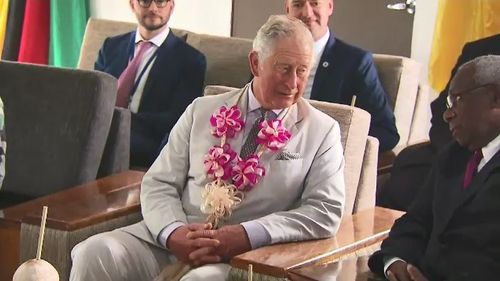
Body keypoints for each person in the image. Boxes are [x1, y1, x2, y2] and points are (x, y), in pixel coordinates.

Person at [70, 15, 346, 281]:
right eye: (284, 68)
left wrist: (248, 234)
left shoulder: (322, 132)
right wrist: (173, 231)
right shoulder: (201, 110)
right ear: (255, 63)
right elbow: (158, 182)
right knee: (93, 252)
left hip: (242, 255)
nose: (293, 83)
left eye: (302, 71)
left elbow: (324, 211)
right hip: (171, 239)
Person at [369, 55, 500, 281]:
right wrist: (395, 261)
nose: (447, 114)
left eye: (457, 100)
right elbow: (415, 222)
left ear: (495, 98)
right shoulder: (453, 155)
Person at [377, 33, 500, 211]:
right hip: (463, 150)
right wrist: (457, 151)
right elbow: (443, 108)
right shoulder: (478, 50)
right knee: (407, 168)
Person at [95, 0, 206, 167]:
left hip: (145, 139)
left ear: (171, 5)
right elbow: (92, 95)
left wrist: (123, 120)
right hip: (98, 130)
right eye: (145, 1)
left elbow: (178, 118)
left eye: (160, 1)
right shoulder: (110, 46)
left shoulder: (191, 60)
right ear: (133, 4)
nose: (153, 8)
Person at [284, 0, 399, 152]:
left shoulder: (356, 62)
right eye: (298, 5)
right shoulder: (270, 54)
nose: (307, 13)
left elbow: (386, 133)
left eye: (315, 3)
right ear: (287, 10)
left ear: (330, 7)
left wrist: (331, 145)